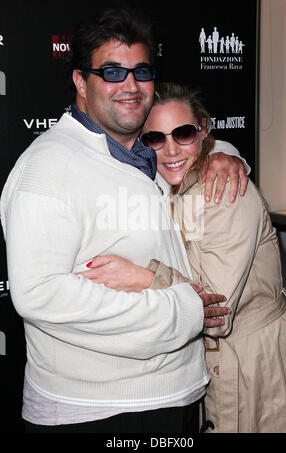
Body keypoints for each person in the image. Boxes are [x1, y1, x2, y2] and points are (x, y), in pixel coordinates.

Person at [0, 9, 249, 433]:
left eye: (141, 71)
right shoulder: (47, 168)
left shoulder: (146, 151)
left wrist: (224, 152)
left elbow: (184, 149)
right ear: (81, 81)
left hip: (179, 396)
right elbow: (39, 294)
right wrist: (180, 311)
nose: (131, 86)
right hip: (98, 411)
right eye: (112, 72)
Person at [82, 82, 286, 433]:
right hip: (198, 365)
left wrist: (144, 278)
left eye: (183, 133)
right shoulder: (157, 181)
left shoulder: (226, 192)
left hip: (248, 368)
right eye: (155, 138)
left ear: (203, 131)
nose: (169, 150)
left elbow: (217, 315)